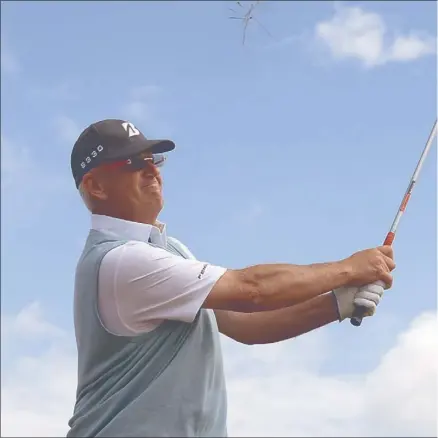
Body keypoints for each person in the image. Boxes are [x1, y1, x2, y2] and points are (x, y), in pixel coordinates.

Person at [67, 119, 396, 437]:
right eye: (132, 163)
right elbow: (252, 290)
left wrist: (339, 302)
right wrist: (351, 268)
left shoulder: (172, 251)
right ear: (95, 186)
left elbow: (245, 324)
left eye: (153, 160)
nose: (153, 170)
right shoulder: (120, 260)